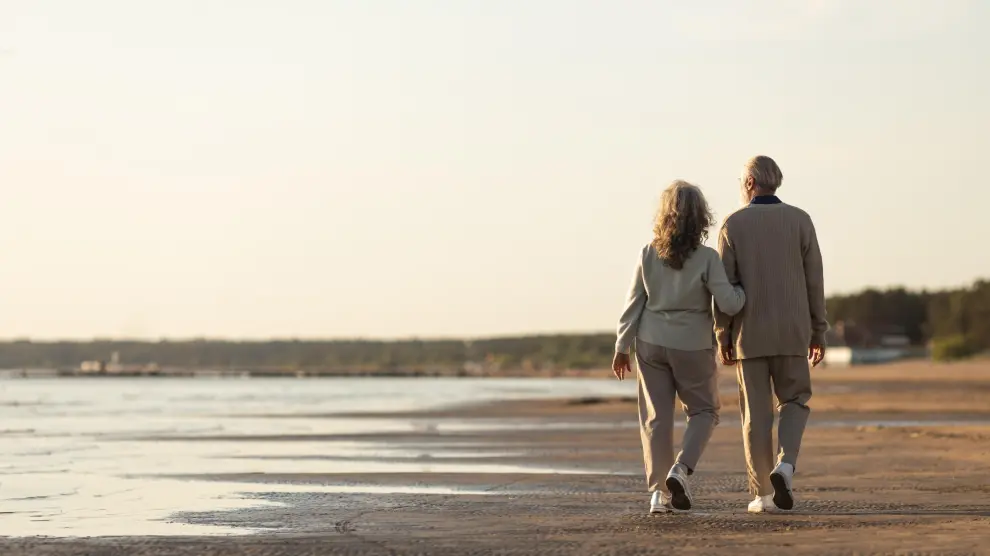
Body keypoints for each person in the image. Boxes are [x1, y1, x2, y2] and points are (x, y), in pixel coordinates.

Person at [612, 180, 746, 514]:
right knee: (704, 411)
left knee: (656, 419)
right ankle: (681, 469)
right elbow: (729, 304)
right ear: (701, 217)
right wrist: (743, 291)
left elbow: (633, 304)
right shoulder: (707, 258)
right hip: (692, 345)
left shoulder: (648, 253)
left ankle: (658, 494)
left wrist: (621, 346)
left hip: (651, 342)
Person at [714, 155, 827, 513]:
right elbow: (814, 281)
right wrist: (818, 330)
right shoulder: (800, 220)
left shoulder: (733, 224)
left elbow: (725, 288)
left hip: (750, 335)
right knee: (795, 401)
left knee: (756, 416)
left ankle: (763, 495)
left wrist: (723, 336)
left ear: (749, 183)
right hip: (793, 331)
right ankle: (786, 465)